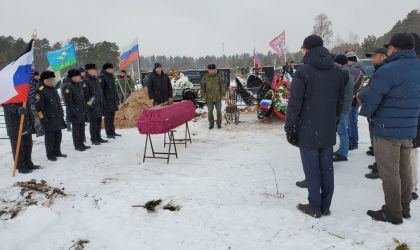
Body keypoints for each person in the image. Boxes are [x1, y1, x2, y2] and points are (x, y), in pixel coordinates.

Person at [360, 33, 420, 224]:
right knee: (405, 170)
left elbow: (372, 99)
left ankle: (393, 212)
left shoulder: (387, 70)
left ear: (394, 48)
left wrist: (368, 112)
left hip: (387, 129)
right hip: (409, 128)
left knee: (390, 173)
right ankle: (405, 208)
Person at [285, 35, 346, 218]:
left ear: (306, 50)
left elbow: (295, 103)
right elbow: (340, 103)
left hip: (308, 128)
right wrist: (333, 122)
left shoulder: (303, 72)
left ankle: (314, 206)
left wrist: (290, 127)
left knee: (312, 169)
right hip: (326, 128)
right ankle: (325, 205)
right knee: (326, 168)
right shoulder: (337, 72)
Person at [357, 47, 389, 179]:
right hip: (376, 112)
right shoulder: (379, 70)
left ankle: (381, 169)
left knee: (383, 145)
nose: (371, 59)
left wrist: (361, 94)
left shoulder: (385, 70)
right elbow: (369, 85)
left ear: (382, 56)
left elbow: (374, 90)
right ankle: (379, 164)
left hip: (381, 112)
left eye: (374, 56)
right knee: (377, 142)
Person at [35, 71, 67, 161]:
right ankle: (50, 154)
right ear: (44, 80)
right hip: (48, 118)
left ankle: (57, 152)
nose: (51, 81)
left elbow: (57, 103)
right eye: (49, 79)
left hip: (57, 116)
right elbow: (39, 108)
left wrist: (61, 113)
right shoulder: (40, 90)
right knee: (50, 137)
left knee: (58, 135)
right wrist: (43, 119)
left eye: (52, 79)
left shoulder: (52, 88)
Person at [3, 102, 40, 174]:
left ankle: (28, 163)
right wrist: (17, 109)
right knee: (18, 146)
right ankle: (20, 166)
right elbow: (6, 104)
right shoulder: (7, 91)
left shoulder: (24, 91)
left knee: (28, 144)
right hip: (14, 122)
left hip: (26, 120)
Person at [62, 69, 90, 152]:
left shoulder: (78, 84)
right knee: (76, 129)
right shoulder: (67, 86)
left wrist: (85, 107)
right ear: (72, 77)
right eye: (77, 76)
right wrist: (73, 111)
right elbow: (68, 101)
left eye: (79, 76)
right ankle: (77, 145)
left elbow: (82, 97)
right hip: (74, 111)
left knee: (81, 128)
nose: (79, 78)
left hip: (81, 110)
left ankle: (82, 143)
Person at [333, 55, 354, 162]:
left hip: (342, 108)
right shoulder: (348, 73)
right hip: (346, 106)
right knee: (342, 129)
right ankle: (342, 149)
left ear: (339, 63)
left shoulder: (343, 73)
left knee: (342, 130)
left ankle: (343, 153)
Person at [345, 51, 365, 151]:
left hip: (354, 100)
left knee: (352, 121)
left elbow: (352, 86)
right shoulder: (356, 69)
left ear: (351, 60)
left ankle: (353, 142)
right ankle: (351, 140)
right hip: (353, 99)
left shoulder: (357, 71)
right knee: (350, 121)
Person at [84, 63, 107, 145]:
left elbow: (99, 92)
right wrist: (91, 104)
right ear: (88, 71)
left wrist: (101, 101)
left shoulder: (95, 79)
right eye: (94, 70)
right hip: (92, 106)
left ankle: (98, 137)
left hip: (99, 105)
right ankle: (94, 139)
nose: (95, 71)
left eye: (95, 70)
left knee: (98, 122)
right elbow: (86, 96)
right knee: (93, 124)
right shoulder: (86, 81)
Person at [201, 64, 225, 129]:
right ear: (208, 70)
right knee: (210, 113)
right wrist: (203, 96)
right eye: (210, 70)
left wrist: (223, 95)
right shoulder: (205, 77)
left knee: (219, 112)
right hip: (209, 99)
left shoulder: (218, 77)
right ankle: (211, 124)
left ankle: (219, 124)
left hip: (218, 98)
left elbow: (222, 86)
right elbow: (202, 88)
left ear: (215, 70)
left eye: (213, 70)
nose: (212, 71)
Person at [100, 63, 121, 139]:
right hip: (107, 101)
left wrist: (117, 100)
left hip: (112, 100)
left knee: (112, 117)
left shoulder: (111, 76)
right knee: (107, 118)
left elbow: (114, 90)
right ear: (106, 69)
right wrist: (104, 102)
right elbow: (101, 91)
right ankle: (108, 133)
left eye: (112, 69)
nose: (112, 70)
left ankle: (112, 131)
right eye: (110, 69)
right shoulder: (102, 77)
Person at [28, 71, 44, 137]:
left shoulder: (36, 82)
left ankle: (41, 130)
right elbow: (33, 93)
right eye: (37, 76)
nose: (39, 77)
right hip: (34, 104)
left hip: (38, 103)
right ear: (34, 76)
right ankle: (39, 131)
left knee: (40, 116)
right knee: (37, 117)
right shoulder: (32, 83)